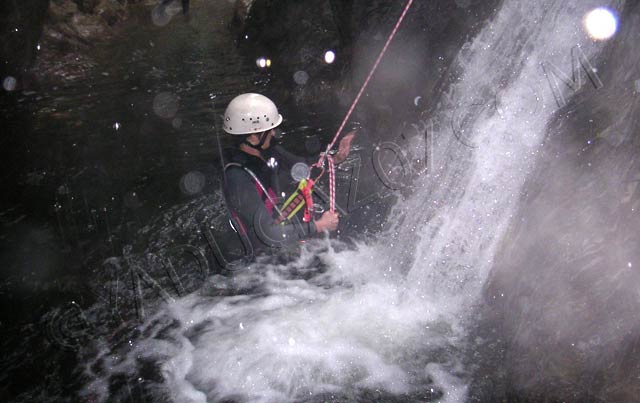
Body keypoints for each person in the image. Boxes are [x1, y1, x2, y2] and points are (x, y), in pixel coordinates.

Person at [221, 93, 354, 252]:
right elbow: (267, 234)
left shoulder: (269, 152)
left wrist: (335, 158)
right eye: (269, 130)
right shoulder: (237, 177)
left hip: (282, 237)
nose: (273, 133)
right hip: (262, 258)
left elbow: (304, 167)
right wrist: (318, 226)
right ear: (253, 136)